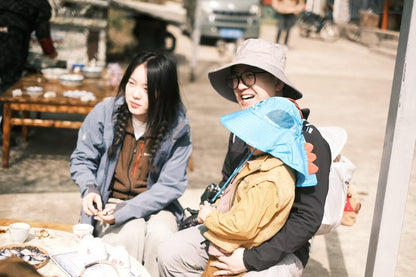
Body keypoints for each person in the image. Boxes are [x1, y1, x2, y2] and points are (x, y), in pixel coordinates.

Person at [158, 38, 331, 276]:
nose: (239, 86)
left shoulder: (307, 139)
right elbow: (226, 182)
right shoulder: (239, 133)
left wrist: (250, 259)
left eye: (249, 76)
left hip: (279, 247)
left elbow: (307, 218)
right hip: (229, 230)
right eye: (235, 79)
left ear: (278, 81)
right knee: (171, 252)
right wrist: (211, 213)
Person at [70, 52, 192, 277]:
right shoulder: (105, 114)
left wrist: (127, 210)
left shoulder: (177, 126)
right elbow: (82, 158)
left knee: (162, 238)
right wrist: (89, 189)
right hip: (110, 202)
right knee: (129, 235)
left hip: (158, 205)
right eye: (131, 83)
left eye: (147, 89)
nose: (135, 94)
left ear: (164, 93)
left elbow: (171, 185)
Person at [198, 97, 317, 277]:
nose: (247, 137)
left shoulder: (268, 180)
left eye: (255, 132)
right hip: (229, 248)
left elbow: (241, 226)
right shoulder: (268, 164)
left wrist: (209, 217)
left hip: (231, 254)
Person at [0, 0, 58, 143]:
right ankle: (4, 129)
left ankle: (9, 122)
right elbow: (43, 34)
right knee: (9, 85)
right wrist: (51, 53)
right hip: (12, 42)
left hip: (10, 36)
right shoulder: (40, 3)